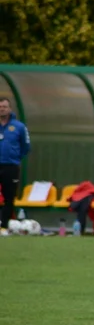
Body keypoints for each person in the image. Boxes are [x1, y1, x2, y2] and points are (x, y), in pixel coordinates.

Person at [0, 96, 31, 235]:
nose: (2, 109)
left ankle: (4, 226)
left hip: (11, 166)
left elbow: (26, 146)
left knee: (9, 197)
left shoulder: (19, 126)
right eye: (0, 107)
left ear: (9, 108)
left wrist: (15, 158)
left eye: (4, 106)